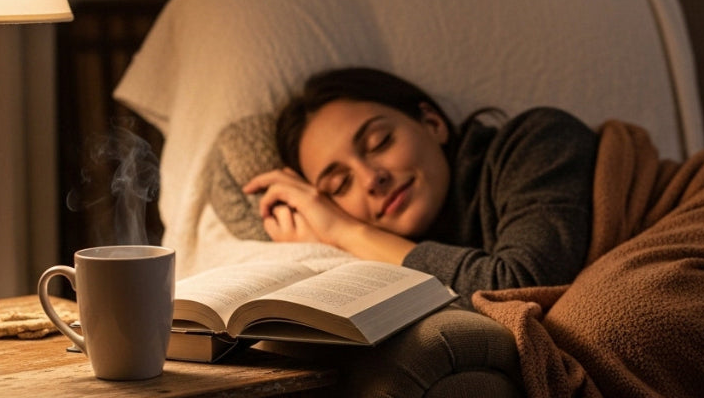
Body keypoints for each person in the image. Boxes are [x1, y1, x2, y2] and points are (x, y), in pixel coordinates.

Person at [243, 66, 599, 299]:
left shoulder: (538, 140)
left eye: (379, 142)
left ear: (432, 122)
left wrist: (346, 232)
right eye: (339, 185)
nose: (371, 179)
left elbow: (519, 286)